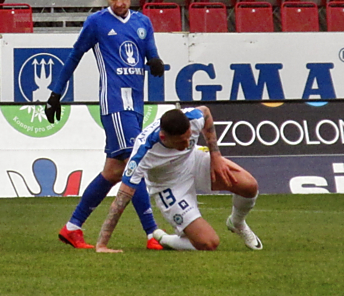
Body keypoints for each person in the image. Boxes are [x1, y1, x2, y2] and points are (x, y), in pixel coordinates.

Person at [44, 0, 165, 250]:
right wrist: (55, 94)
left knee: (112, 172)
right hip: (115, 104)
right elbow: (74, 56)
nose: (119, 3)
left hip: (136, 105)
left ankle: (72, 227)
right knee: (137, 162)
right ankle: (152, 233)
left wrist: (156, 61)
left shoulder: (142, 22)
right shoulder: (97, 23)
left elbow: (150, 52)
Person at [96, 106, 263, 252]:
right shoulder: (143, 153)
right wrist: (102, 244)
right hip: (169, 185)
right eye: (181, 142)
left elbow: (205, 112)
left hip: (194, 160)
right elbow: (121, 199)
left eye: (188, 138)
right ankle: (165, 239)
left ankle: (237, 222)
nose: (186, 143)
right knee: (209, 243)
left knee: (249, 186)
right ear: (164, 138)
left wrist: (216, 155)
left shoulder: (192, 118)